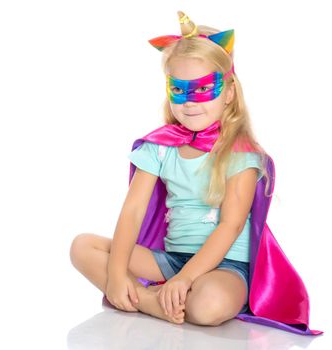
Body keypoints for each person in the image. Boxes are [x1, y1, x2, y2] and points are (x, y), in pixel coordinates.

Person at [70, 11, 322, 335]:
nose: (189, 103)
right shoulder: (158, 147)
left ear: (229, 93)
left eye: (203, 89)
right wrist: (117, 273)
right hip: (172, 258)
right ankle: (150, 301)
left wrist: (186, 279)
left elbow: (230, 226)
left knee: (208, 305)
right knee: (82, 247)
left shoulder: (240, 154)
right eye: (179, 90)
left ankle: (160, 298)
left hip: (226, 266)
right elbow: (132, 212)